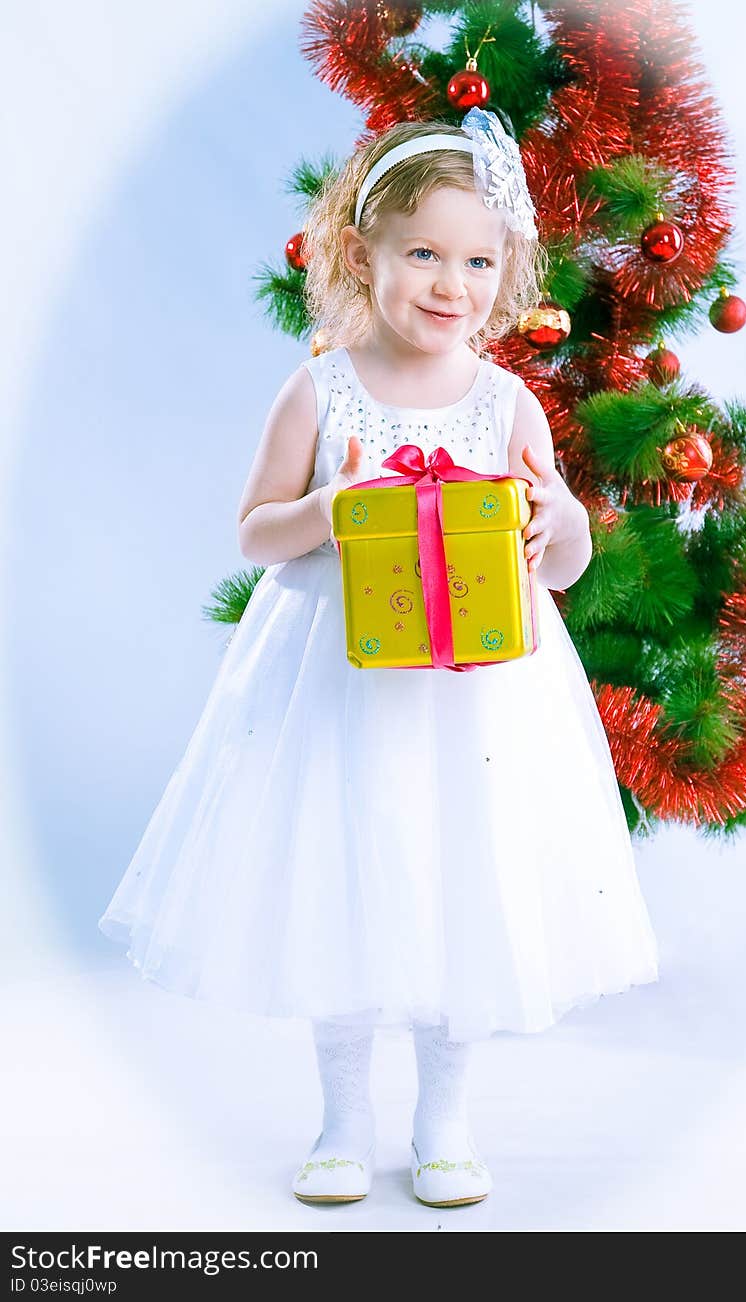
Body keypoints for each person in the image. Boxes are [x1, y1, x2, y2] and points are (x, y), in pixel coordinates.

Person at [98, 107, 660, 1210]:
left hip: (476, 703)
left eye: (478, 261)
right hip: (341, 686)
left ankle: (443, 1119)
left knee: (460, 884)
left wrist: (564, 529)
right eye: (422, 254)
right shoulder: (321, 387)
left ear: (507, 272)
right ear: (362, 254)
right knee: (345, 881)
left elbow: (557, 555)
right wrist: (328, 506)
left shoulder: (506, 403)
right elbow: (254, 532)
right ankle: (342, 1118)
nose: (450, 284)